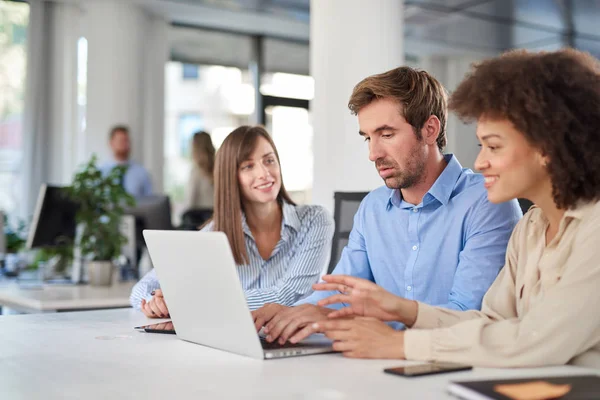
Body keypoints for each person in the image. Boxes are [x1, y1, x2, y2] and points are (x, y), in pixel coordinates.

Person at [299, 49, 600, 368]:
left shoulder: (592, 229)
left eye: (494, 146)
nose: (480, 162)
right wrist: (404, 311)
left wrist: (400, 342)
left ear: (548, 148)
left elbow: (536, 340)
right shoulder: (532, 228)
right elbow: (490, 324)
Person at [252, 66, 522, 345]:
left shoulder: (487, 201)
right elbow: (340, 293)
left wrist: (388, 336)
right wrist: (292, 315)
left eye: (387, 134)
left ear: (429, 130)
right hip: (377, 362)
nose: (373, 153)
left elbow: (468, 316)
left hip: (448, 366)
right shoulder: (373, 208)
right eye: (368, 137)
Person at [130, 125, 334, 317]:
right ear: (231, 177)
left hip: (293, 344)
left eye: (269, 160)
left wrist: (196, 304)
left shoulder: (314, 221)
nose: (264, 173)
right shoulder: (215, 233)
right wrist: (155, 303)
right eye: (248, 166)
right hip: (233, 344)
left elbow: (289, 295)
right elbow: (141, 289)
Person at [99, 125, 153, 198]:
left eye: (126, 141)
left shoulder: (141, 172)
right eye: (120, 141)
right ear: (111, 143)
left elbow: (150, 202)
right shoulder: (101, 172)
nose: (124, 145)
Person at [184, 131, 215, 209]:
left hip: (200, 219)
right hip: (217, 217)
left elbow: (190, 202)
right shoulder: (219, 169)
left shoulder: (196, 171)